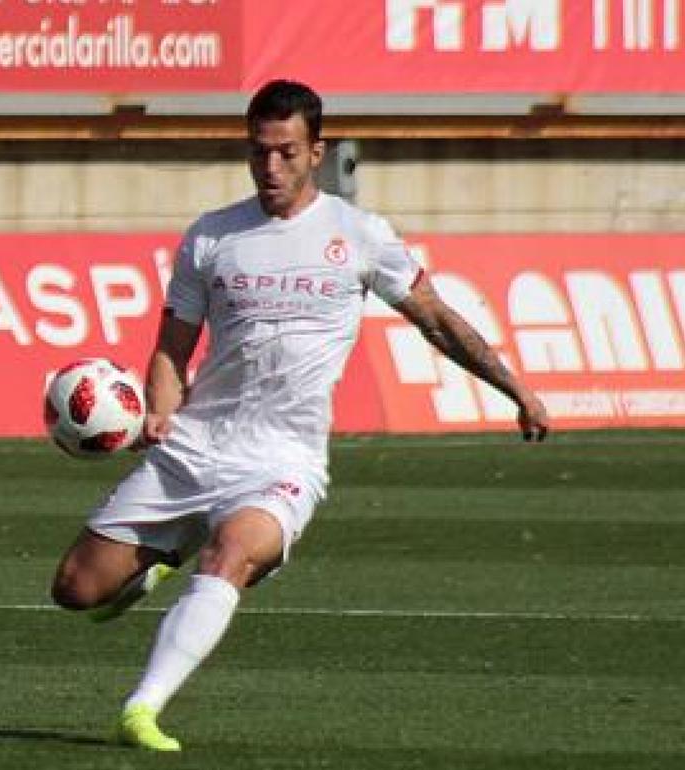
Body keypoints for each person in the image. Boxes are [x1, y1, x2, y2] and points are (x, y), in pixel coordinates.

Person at [49, 79, 551, 752]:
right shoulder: (212, 237)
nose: (271, 168)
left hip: (282, 459)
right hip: (195, 449)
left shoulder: (360, 235)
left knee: (230, 554)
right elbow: (172, 348)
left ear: (318, 151)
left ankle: (141, 709)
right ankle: (166, 550)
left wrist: (514, 388)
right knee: (75, 591)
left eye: (286, 152)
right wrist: (162, 414)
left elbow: (435, 319)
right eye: (259, 152)